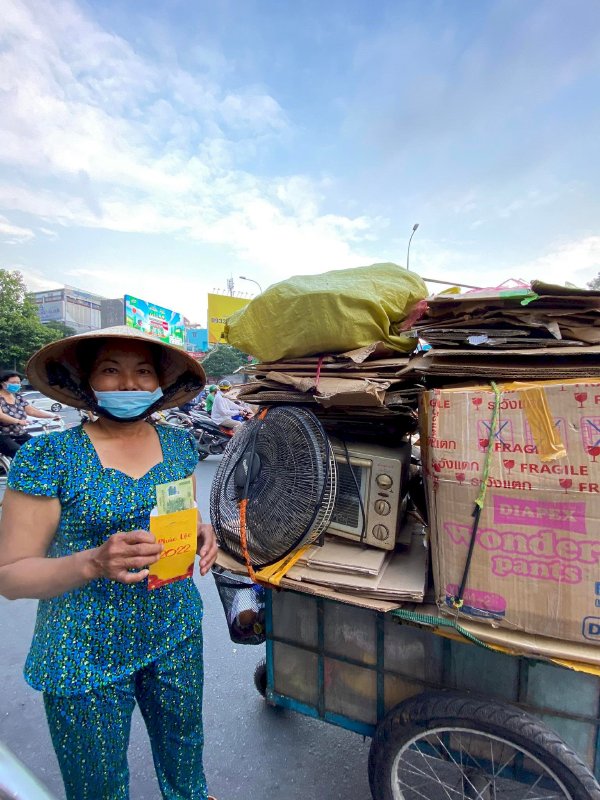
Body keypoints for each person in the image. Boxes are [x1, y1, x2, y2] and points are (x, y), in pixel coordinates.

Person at [0, 326, 219, 800]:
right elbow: (11, 575)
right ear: (86, 382)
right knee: (99, 787)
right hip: (81, 652)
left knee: (187, 765)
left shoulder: (179, 446)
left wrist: (200, 529)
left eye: (143, 372)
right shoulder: (50, 456)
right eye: (111, 370)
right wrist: (93, 562)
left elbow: (178, 510)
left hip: (174, 629)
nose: (129, 385)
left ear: (160, 383)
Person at [0, 370, 61, 458]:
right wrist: (18, 421)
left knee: (39, 448)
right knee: (21, 454)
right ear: (3, 383)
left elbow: (32, 411)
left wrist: (51, 415)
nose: (17, 385)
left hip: (19, 433)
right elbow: (1, 416)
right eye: (13, 382)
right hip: (3, 435)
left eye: (18, 382)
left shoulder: (17, 396)